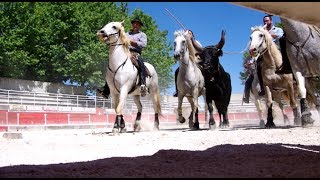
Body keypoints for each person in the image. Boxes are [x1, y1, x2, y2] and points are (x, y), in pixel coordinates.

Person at [98, 17, 148, 98]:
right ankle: (106, 90)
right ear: (132, 24)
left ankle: (143, 85)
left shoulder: (142, 35)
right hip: (124, 52)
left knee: (140, 63)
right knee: (112, 66)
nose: (135, 25)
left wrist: (131, 42)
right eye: (134, 23)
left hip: (135, 53)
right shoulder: (127, 34)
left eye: (137, 24)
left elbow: (143, 44)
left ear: (140, 26)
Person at [255, 14, 284, 97]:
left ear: (271, 21)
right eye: (264, 21)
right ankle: (262, 87)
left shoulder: (277, 29)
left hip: (278, 51)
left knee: (289, 59)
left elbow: (281, 36)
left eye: (267, 21)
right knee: (259, 64)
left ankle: (293, 79)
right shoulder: (261, 32)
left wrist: (267, 34)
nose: (266, 22)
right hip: (265, 53)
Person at [173, 29, 203, 97]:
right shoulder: (184, 42)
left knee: (204, 70)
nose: (189, 34)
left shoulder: (197, 42)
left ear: (192, 35)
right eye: (188, 33)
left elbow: (201, 51)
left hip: (196, 61)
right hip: (187, 62)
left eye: (190, 33)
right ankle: (178, 90)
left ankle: (205, 86)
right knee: (177, 71)